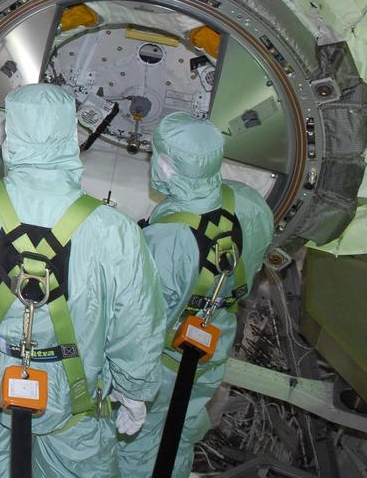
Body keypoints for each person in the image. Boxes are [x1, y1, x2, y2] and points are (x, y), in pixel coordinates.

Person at [0, 83, 165, 476]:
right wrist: (134, 389)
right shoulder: (115, 230)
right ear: (70, 140)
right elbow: (138, 322)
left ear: (10, 137)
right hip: (73, 388)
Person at [117, 113, 274, 478]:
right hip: (215, 345)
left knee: (137, 446)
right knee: (182, 432)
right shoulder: (251, 203)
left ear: (168, 165)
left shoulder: (166, 239)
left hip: (167, 361)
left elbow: (144, 321)